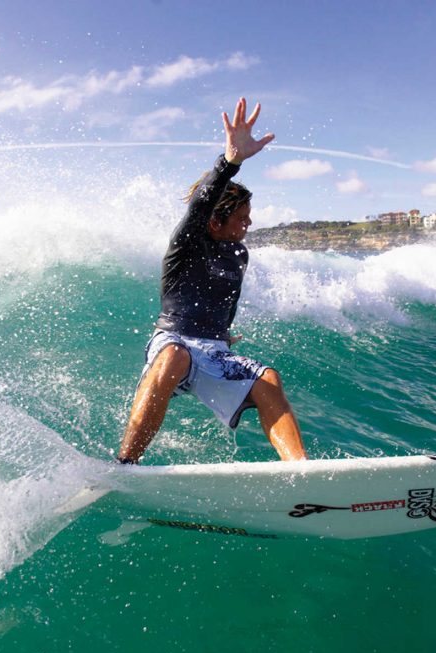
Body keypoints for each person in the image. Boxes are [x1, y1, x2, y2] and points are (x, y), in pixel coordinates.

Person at [117, 98, 308, 464]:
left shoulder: (239, 254)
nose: (248, 225)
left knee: (268, 379)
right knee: (173, 356)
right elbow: (200, 204)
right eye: (241, 217)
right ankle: (125, 465)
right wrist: (230, 162)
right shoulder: (188, 243)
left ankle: (302, 473)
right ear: (215, 221)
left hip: (214, 351)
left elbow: (226, 301)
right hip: (173, 342)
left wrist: (222, 330)